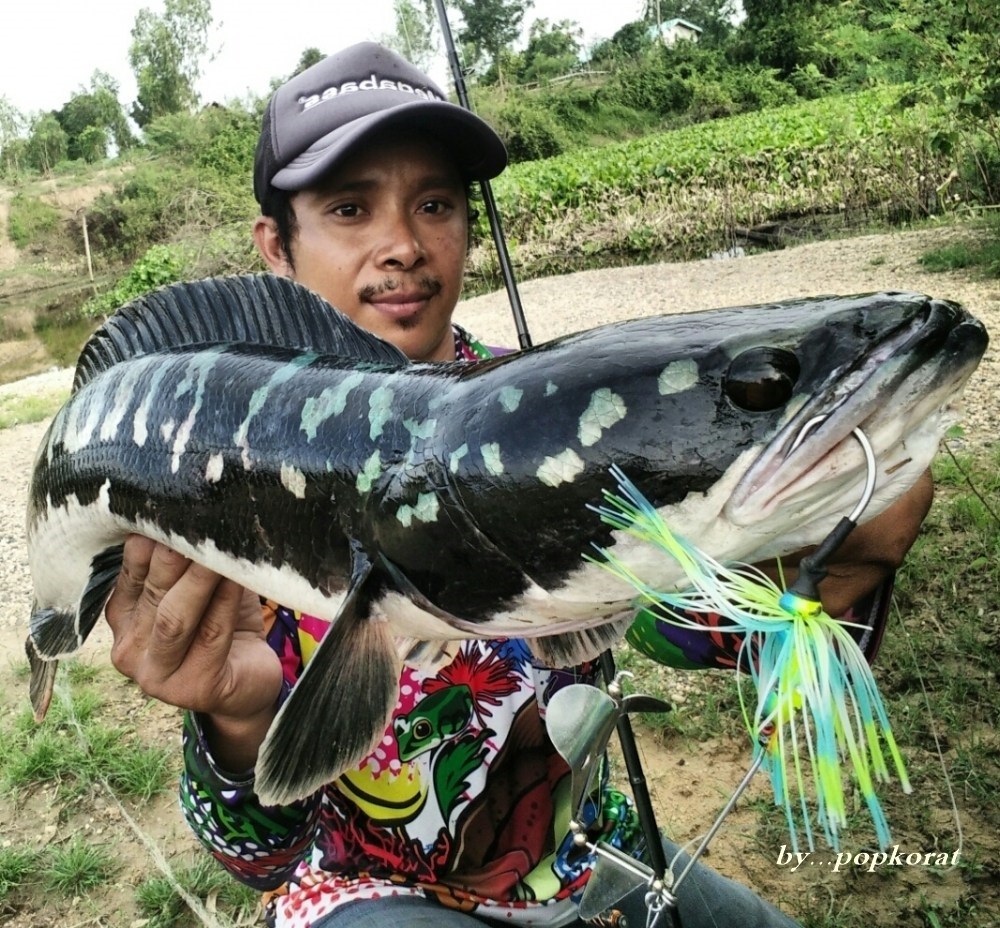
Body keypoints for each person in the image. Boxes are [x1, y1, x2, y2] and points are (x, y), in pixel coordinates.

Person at [104, 42, 933, 928]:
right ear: (276, 244)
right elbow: (260, 857)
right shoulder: (212, 482)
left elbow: (687, 629)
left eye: (436, 203)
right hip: (361, 892)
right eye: (351, 208)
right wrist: (235, 727)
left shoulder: (555, 417)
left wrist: (824, 577)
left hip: (584, 853)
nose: (405, 246)